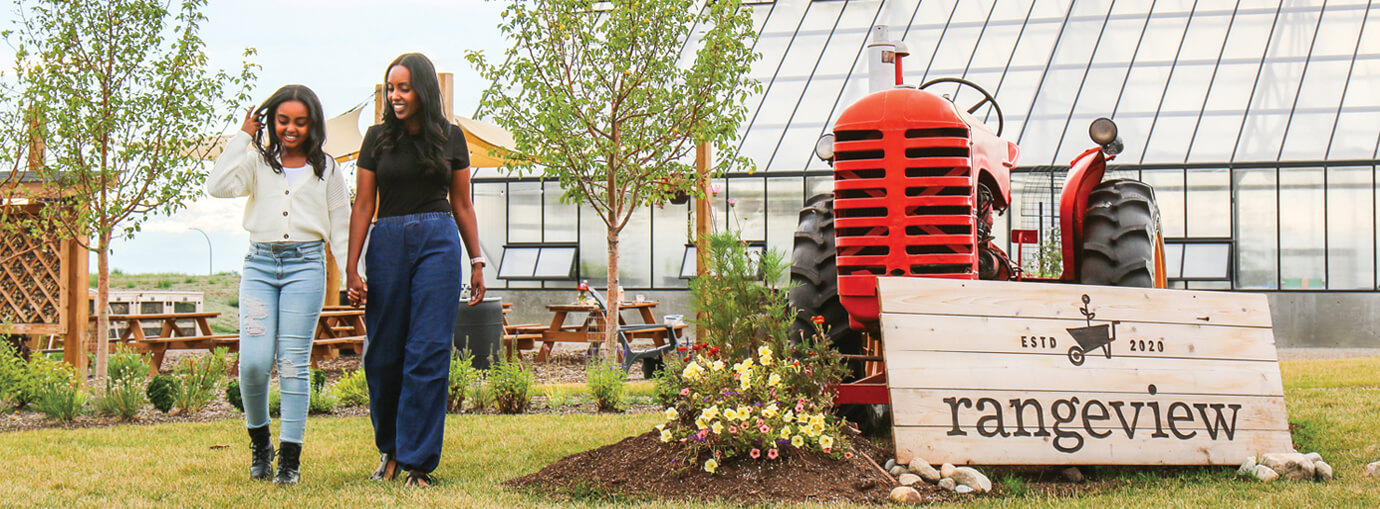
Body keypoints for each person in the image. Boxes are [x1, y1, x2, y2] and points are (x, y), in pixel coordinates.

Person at [346, 52, 486, 488]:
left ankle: (418, 463)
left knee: (427, 351)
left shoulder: (451, 137)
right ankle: (390, 449)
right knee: (383, 354)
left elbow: (462, 203)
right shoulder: (376, 138)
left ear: (423, 89)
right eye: (391, 88)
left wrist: (477, 260)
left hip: (437, 242)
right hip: (386, 243)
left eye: (404, 88)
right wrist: (351, 267)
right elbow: (364, 205)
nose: (395, 96)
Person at [207, 84, 349, 485]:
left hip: (306, 266)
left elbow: (340, 228)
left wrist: (357, 274)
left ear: (312, 125)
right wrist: (242, 136)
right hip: (260, 267)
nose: (291, 129)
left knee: (291, 364)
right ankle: (260, 444)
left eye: (300, 122)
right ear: (272, 122)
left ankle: (289, 461)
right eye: (283, 121)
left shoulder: (328, 169)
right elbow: (216, 186)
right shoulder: (256, 162)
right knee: (252, 364)